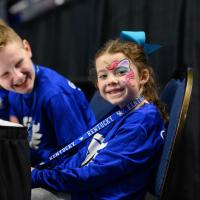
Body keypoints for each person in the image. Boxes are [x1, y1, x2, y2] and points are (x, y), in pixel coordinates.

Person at [31, 31, 168, 200]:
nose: (110, 80)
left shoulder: (143, 121)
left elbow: (92, 175)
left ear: (144, 76)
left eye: (121, 71)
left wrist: (37, 177)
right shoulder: (121, 111)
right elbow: (82, 158)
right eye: (103, 75)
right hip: (85, 191)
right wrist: (41, 173)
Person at [0, 20, 96, 166]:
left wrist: (34, 175)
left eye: (19, 63)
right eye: (5, 74)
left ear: (27, 49)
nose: (18, 77)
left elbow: (80, 159)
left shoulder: (55, 96)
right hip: (39, 167)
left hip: (66, 175)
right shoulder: (14, 92)